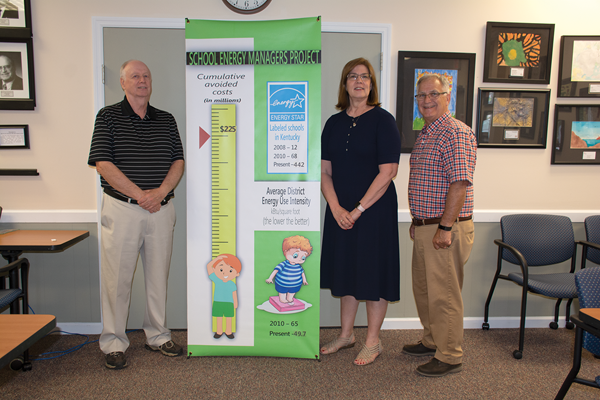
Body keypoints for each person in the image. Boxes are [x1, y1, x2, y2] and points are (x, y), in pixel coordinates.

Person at [88, 59, 185, 369]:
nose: (142, 81)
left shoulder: (166, 119)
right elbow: (102, 163)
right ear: (123, 83)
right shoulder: (107, 117)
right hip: (122, 209)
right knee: (117, 281)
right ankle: (113, 342)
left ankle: (157, 335)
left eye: (146, 76)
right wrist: (141, 195)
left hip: (161, 209)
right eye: (135, 76)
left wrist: (158, 194)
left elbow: (178, 162)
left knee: (159, 277)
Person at [319, 58, 401, 366]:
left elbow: (388, 171)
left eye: (365, 77)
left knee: (373, 274)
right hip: (341, 211)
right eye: (353, 76)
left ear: (371, 84)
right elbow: (324, 172)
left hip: (374, 212)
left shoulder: (383, 120)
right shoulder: (333, 123)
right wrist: (337, 207)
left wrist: (358, 209)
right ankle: (346, 335)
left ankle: (372, 340)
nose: (359, 81)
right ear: (344, 84)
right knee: (347, 270)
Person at [403, 73, 477, 377]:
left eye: (434, 94)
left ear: (448, 97)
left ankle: (449, 355)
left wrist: (445, 227)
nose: (427, 100)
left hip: (445, 228)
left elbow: (459, 183)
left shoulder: (454, 132)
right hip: (426, 226)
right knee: (424, 290)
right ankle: (433, 340)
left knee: (444, 293)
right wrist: (416, 221)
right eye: (421, 96)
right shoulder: (427, 132)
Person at [265, 235, 312, 305]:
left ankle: (290, 298)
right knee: (282, 292)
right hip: (282, 284)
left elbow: (302, 273)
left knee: (292, 292)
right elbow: (276, 270)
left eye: (303, 257)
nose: (298, 259)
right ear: (285, 252)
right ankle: (282, 299)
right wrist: (270, 278)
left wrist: (304, 280)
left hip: (295, 285)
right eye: (295, 255)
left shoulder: (299, 267)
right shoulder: (283, 264)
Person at [207, 254, 242, 339]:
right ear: (215, 270)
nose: (225, 273)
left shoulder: (232, 284)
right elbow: (208, 266)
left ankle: (228, 332)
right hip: (218, 302)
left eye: (230, 271)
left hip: (229, 303)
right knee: (219, 317)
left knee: (228, 318)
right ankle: (219, 332)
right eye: (221, 269)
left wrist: (236, 303)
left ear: (237, 274)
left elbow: (234, 294)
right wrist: (216, 259)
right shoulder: (217, 279)